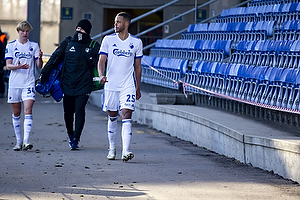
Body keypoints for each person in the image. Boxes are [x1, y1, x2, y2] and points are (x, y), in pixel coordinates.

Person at [41, 19, 100, 150]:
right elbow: (55, 57)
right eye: (78, 28)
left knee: (79, 110)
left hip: (84, 84)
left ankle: (76, 139)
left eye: (82, 29)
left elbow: (101, 62)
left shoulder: (93, 45)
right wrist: (44, 73)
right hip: (67, 82)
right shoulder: (68, 42)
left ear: (87, 31)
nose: (79, 31)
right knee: (68, 112)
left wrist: (91, 59)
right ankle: (70, 133)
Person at [98, 12, 143, 161]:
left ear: (126, 24)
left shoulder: (136, 42)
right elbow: (101, 60)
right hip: (111, 85)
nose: (115, 24)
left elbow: (138, 67)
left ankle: (126, 151)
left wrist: (138, 87)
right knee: (112, 117)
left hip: (127, 85)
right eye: (115, 22)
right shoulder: (108, 40)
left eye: (118, 22)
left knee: (126, 115)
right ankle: (112, 149)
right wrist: (101, 74)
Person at [5, 21, 43, 151]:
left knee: (28, 109)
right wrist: (18, 66)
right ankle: (18, 142)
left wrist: (39, 58)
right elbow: (8, 65)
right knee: (16, 112)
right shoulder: (11, 46)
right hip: (15, 83)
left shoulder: (34, 46)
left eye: (27, 31)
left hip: (28, 82)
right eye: (23, 31)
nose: (25, 33)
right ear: (18, 32)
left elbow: (39, 66)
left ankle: (27, 141)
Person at [0, 26, 8, 98]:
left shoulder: (2, 36)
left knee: (0, 76)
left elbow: (3, 47)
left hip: (1, 59)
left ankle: (1, 92)